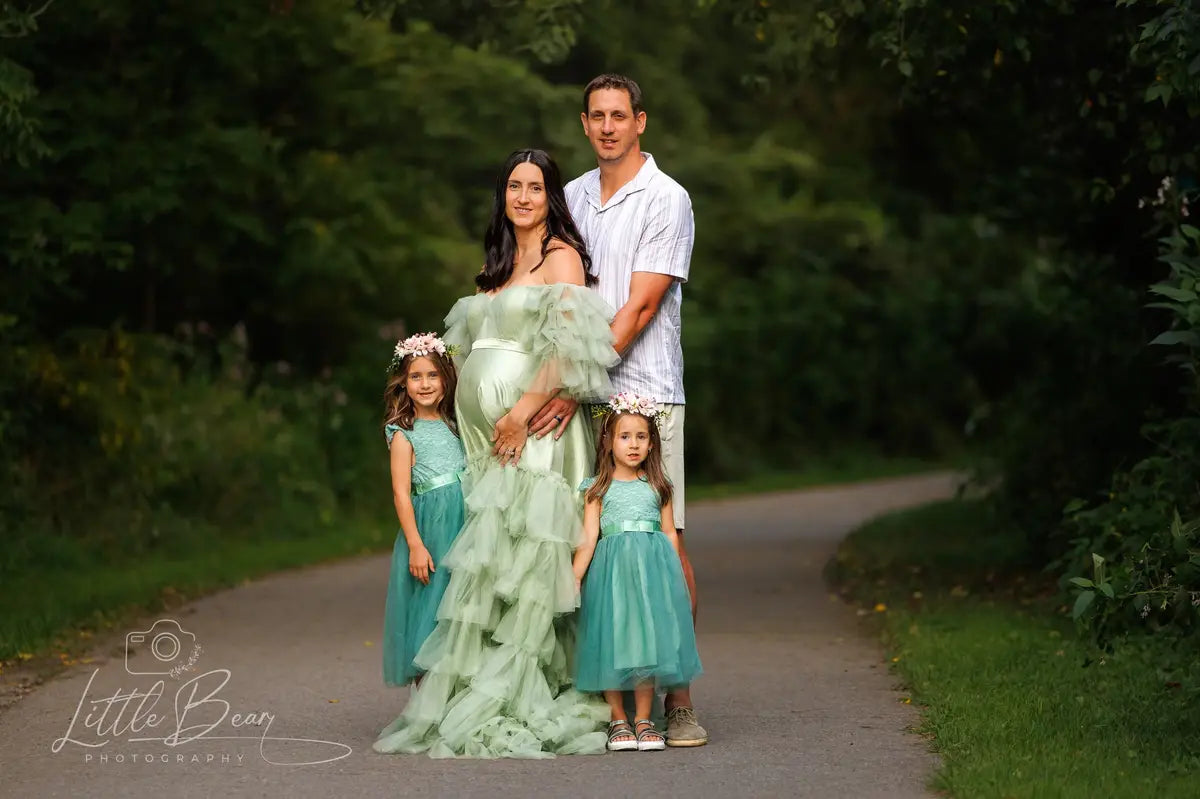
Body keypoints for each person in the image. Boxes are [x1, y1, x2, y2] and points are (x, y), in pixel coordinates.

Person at [373, 148, 619, 759]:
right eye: (514, 186)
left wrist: (520, 410)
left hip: (531, 427)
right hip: (486, 438)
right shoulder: (499, 263)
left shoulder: (560, 257)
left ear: (551, 196)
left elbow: (567, 347)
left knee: (530, 554)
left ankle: (529, 685)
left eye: (536, 187)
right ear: (503, 195)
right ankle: (481, 681)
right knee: (492, 556)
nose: (524, 196)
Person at [531, 72, 707, 747]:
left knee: (664, 546)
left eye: (619, 115)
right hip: (576, 400)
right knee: (586, 544)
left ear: (641, 122)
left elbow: (637, 308)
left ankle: (679, 698)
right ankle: (594, 695)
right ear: (583, 124)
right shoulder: (570, 196)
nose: (607, 126)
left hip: (647, 394)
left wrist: (571, 382)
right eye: (595, 116)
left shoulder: (667, 198)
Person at [573, 393, 702, 752]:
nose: (633, 445)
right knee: (612, 641)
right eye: (624, 436)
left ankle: (645, 719)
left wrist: (674, 581)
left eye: (641, 437)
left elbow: (669, 536)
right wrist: (573, 578)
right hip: (610, 577)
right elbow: (588, 539)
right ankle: (617, 717)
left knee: (645, 643)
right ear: (608, 440)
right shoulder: (597, 488)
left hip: (649, 578)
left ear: (652, 442)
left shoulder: (659, 486)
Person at [380, 333, 466, 688]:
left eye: (432, 375)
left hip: (464, 521)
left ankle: (455, 695)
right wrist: (416, 544)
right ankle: (427, 700)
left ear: (446, 378)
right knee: (429, 609)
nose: (425, 384)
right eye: (416, 376)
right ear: (404, 383)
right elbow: (402, 494)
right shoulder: (404, 432)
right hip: (431, 528)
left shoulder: (457, 426)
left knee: (457, 607)